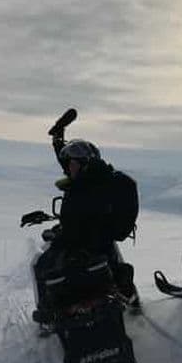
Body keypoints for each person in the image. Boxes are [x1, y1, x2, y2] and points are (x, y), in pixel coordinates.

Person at [33, 136, 140, 322]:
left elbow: (74, 226)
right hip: (103, 245)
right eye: (68, 165)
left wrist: (61, 236)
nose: (69, 168)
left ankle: (46, 312)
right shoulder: (102, 179)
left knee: (40, 264)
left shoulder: (81, 186)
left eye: (72, 164)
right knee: (115, 266)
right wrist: (58, 142)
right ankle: (128, 297)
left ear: (84, 163)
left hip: (81, 245)